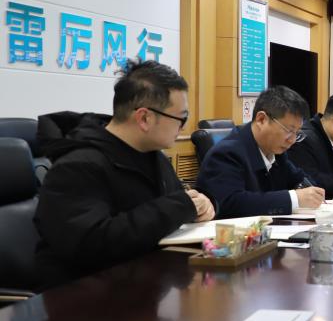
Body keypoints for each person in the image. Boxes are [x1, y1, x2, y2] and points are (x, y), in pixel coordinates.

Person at [33, 60, 215, 291]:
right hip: (82, 299)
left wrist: (201, 205)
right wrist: (180, 207)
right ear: (144, 118)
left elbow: (177, 205)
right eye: (181, 119)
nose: (183, 128)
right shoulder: (76, 167)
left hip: (143, 287)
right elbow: (93, 244)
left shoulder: (152, 156)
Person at [197, 85, 324, 218]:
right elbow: (231, 203)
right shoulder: (227, 153)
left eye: (297, 133)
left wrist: (309, 191)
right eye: (289, 131)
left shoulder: (276, 152)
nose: (292, 140)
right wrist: (294, 198)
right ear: (261, 119)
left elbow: (299, 179)